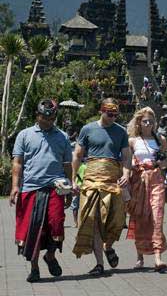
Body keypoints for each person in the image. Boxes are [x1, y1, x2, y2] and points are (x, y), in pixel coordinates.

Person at [10, 99, 72, 282]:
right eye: (45, 118)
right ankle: (34, 268)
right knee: (33, 230)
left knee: (56, 223)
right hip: (31, 188)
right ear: (37, 116)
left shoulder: (62, 136)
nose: (49, 121)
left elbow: (67, 164)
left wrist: (69, 187)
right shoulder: (24, 135)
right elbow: (17, 163)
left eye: (52, 118)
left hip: (56, 187)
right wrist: (15, 186)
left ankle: (51, 256)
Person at [72, 98, 131, 276]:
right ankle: (99, 264)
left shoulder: (121, 131)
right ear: (101, 110)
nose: (113, 117)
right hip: (91, 181)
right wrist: (74, 179)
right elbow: (77, 154)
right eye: (109, 113)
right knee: (94, 220)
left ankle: (108, 246)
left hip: (112, 181)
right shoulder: (87, 129)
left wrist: (126, 173)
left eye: (115, 114)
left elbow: (127, 157)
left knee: (116, 220)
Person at [126, 107, 167, 272]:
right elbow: (127, 163)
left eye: (151, 121)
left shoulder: (161, 140)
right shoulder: (132, 141)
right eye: (145, 121)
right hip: (139, 181)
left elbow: (164, 162)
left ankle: (158, 257)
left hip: (156, 179)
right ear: (139, 122)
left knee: (157, 218)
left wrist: (160, 163)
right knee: (141, 218)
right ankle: (140, 256)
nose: (148, 124)